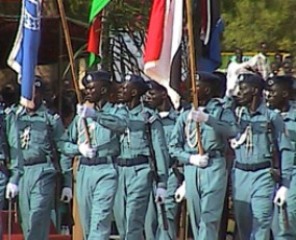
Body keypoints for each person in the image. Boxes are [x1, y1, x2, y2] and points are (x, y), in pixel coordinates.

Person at [169, 72, 238, 240]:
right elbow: (173, 146)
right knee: (197, 218)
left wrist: (208, 119)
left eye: (196, 86)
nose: (192, 89)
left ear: (207, 89)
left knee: (209, 218)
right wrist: (189, 158)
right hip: (192, 167)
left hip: (213, 165)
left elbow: (232, 131)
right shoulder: (186, 115)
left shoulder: (222, 111)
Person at [61, 70, 127, 240]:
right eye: (86, 89)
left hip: (106, 170)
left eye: (91, 88)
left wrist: (95, 116)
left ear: (104, 90)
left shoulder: (116, 111)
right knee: (87, 223)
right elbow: (63, 144)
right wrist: (79, 149)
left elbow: (121, 125)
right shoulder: (81, 116)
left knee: (100, 223)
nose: (87, 92)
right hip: (84, 172)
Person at [5, 76, 73, 240]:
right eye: (28, 93)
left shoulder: (51, 119)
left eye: (35, 93)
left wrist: (67, 183)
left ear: (42, 95)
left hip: (43, 172)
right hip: (21, 173)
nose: (31, 97)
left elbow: (63, 148)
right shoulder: (14, 116)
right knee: (27, 222)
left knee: (38, 217)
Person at [230, 73, 294, 240]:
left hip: (263, 174)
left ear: (254, 91)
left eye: (243, 89)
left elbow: (286, 149)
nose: (239, 92)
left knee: (261, 223)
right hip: (240, 174)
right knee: (243, 225)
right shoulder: (236, 115)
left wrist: (285, 184)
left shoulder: (272, 117)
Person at [113, 74, 168, 240]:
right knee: (121, 221)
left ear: (135, 92)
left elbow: (160, 150)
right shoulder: (116, 114)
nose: (121, 91)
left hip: (140, 171)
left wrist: (162, 183)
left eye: (125, 88)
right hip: (119, 171)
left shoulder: (148, 118)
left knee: (133, 221)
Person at [144, 80, 180, 240]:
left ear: (164, 94)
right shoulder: (146, 120)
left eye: (152, 93)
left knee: (166, 219)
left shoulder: (179, 120)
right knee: (148, 220)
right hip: (148, 173)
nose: (147, 97)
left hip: (171, 173)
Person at [266, 75, 296, 240]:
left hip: (291, 175)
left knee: (286, 222)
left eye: (272, 92)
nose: (268, 95)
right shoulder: (264, 115)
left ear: (285, 94)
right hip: (266, 173)